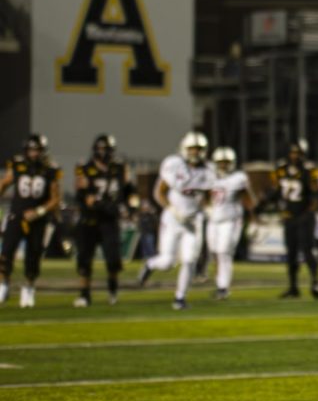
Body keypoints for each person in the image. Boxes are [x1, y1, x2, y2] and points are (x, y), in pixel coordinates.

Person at [138, 132, 212, 308]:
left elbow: (209, 196)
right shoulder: (174, 164)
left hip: (193, 221)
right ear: (184, 149)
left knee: (189, 259)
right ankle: (150, 265)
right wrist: (172, 209)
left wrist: (208, 209)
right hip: (172, 219)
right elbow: (159, 192)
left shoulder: (210, 171)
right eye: (192, 149)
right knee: (167, 262)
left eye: (198, 149)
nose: (195, 152)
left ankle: (180, 298)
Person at [0, 134, 62, 307]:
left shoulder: (51, 170)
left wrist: (39, 211)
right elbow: (4, 183)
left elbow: (56, 198)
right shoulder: (17, 165)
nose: (33, 153)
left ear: (42, 151)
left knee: (33, 258)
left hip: (38, 220)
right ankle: (3, 286)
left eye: (37, 150)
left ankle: (28, 289)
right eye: (31, 150)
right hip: (16, 216)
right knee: (5, 254)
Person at [74, 134, 135, 307]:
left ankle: (112, 291)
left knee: (113, 260)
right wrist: (104, 204)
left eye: (106, 149)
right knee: (85, 260)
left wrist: (131, 208)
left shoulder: (121, 168)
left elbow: (130, 192)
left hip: (110, 220)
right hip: (90, 219)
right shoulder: (84, 168)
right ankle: (84, 295)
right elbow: (83, 196)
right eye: (100, 149)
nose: (103, 153)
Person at [272, 139, 318, 298]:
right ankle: (293, 287)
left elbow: (317, 194)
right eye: (292, 152)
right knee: (291, 253)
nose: (294, 156)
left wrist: (309, 213)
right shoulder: (281, 169)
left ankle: (315, 282)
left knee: (308, 252)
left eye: (297, 153)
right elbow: (276, 192)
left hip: (305, 216)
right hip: (289, 217)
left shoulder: (310, 170)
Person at [206, 147, 255, 299]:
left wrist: (253, 220)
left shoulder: (238, 178)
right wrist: (205, 208)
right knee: (214, 252)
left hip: (231, 220)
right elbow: (205, 196)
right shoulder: (209, 177)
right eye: (220, 162)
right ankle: (219, 284)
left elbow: (248, 199)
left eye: (226, 162)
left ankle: (223, 287)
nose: (223, 165)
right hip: (213, 220)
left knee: (224, 252)